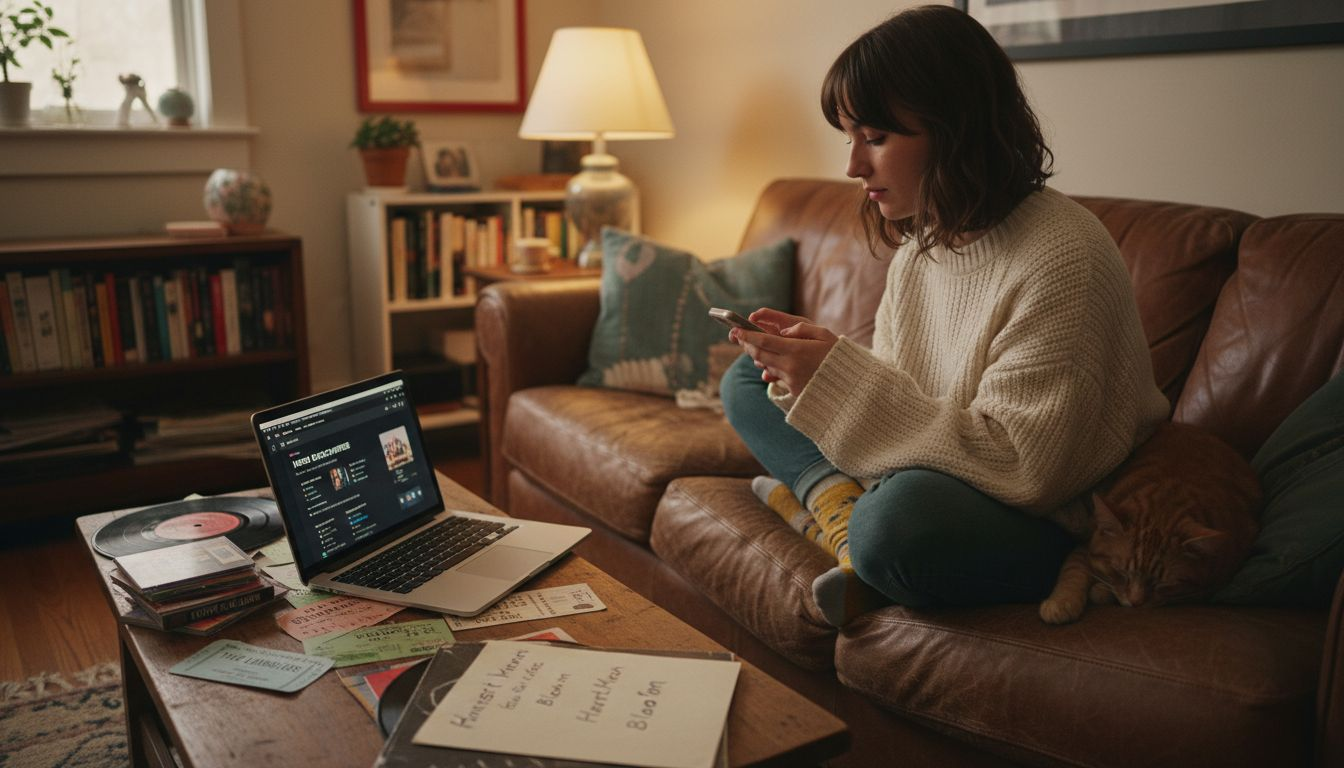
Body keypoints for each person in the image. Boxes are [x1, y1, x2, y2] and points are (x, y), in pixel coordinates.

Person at [720, 5, 1169, 627]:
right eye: (849, 138)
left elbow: (1024, 468)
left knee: (898, 523)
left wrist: (841, 384)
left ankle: (848, 524)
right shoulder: (924, 244)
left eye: (876, 138)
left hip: (1040, 515)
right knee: (747, 379)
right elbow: (912, 394)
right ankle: (842, 520)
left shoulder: (1064, 256)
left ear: (955, 129)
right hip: (940, 468)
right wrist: (826, 365)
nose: (853, 166)